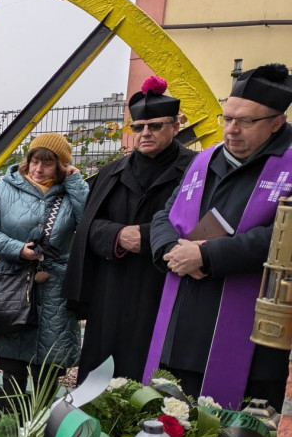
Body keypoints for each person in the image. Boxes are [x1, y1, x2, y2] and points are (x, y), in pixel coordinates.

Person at [145, 63, 292, 409]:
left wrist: (208, 257)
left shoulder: (287, 166)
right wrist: (171, 249)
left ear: (276, 122)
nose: (231, 130)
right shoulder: (204, 161)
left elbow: (283, 236)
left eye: (245, 121)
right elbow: (165, 213)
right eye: (227, 118)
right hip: (183, 328)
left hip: (253, 342)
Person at [64, 77, 195, 382]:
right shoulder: (112, 172)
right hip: (113, 290)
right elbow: (86, 226)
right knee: (102, 376)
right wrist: (118, 236)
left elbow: (202, 226)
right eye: (138, 127)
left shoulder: (196, 170)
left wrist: (147, 237)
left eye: (155, 126)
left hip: (165, 285)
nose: (145, 133)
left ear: (175, 127)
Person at [0, 132, 87, 394]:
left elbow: (88, 222)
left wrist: (74, 181)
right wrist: (17, 249)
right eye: (34, 161)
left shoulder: (70, 191)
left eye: (48, 163)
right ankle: (10, 427)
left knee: (49, 366)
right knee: (12, 365)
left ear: (61, 164)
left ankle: (39, 429)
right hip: (13, 281)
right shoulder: (4, 188)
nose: (38, 168)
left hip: (55, 289)